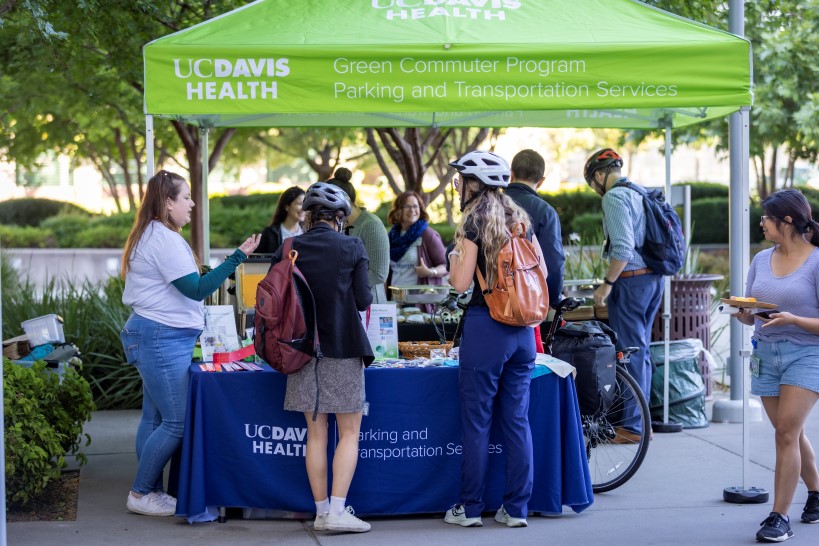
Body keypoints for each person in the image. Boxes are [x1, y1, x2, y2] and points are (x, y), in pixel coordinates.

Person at [119, 170, 260, 516]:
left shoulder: (157, 233)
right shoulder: (162, 239)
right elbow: (196, 289)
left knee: (154, 418)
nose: (192, 203)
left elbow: (189, 282)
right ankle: (140, 494)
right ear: (168, 202)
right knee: (177, 422)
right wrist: (237, 256)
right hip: (159, 337)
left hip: (157, 335)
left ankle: (150, 491)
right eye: (186, 197)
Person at [444, 150, 540, 529]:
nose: (458, 188)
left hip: (487, 328)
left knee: (477, 422)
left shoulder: (474, 223)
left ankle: (469, 509)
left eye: (460, 181)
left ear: (474, 184)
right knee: (517, 421)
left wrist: (455, 255)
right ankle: (516, 509)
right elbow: (542, 272)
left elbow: (460, 283)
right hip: (523, 333)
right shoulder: (521, 220)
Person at [271, 182, 374, 533]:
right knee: (349, 432)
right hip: (343, 349)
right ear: (340, 218)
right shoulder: (352, 246)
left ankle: (321, 512)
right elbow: (363, 300)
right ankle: (339, 513)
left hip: (299, 351)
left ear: (310, 216)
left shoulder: (288, 247)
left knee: (315, 435)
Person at [731, 189, 819, 542]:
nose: (761, 223)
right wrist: (743, 314)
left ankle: (778, 517)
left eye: (766, 217)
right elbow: (753, 310)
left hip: (807, 354)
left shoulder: (815, 261)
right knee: (790, 433)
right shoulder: (760, 259)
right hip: (766, 354)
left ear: (786, 221)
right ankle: (816, 493)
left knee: (785, 432)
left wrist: (794, 320)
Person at [585, 148, 663, 443]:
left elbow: (623, 248)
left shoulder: (614, 196)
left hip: (631, 282)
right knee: (641, 351)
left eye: (593, 183)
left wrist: (606, 284)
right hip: (654, 280)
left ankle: (632, 427)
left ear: (599, 175)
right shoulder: (639, 192)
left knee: (629, 352)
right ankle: (644, 424)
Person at [505, 149, 565, 352]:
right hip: (527, 304)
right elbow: (554, 262)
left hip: (491, 303)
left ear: (511, 173)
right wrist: (555, 299)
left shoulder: (491, 205)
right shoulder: (545, 211)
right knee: (526, 370)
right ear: (541, 180)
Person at [326, 167, 390, 303]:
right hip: (342, 302)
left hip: (370, 305)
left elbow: (379, 274)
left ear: (345, 200)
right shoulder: (336, 223)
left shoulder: (371, 225)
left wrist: (340, 280)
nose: (327, 211)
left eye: (330, 204)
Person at [387, 191, 448, 312]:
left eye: (415, 206)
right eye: (407, 206)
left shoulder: (427, 235)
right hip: (394, 299)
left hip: (419, 303)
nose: (412, 210)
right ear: (398, 210)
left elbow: (447, 266)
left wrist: (430, 272)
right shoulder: (392, 236)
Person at [257, 186, 305, 254]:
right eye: (300, 204)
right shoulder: (270, 234)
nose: (303, 209)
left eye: (305, 204)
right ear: (287, 206)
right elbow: (257, 260)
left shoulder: (308, 233)